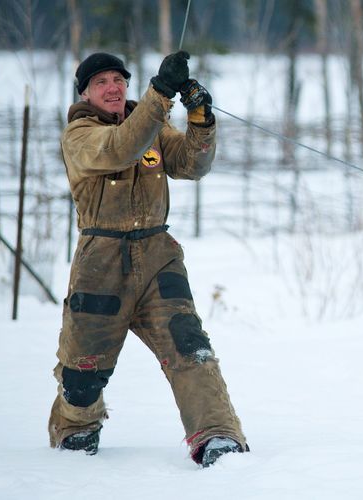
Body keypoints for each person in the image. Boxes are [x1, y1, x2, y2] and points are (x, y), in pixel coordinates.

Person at [48, 51, 247, 467]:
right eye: (101, 81)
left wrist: (199, 118)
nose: (113, 87)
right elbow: (120, 149)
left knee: (189, 346)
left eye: (118, 80)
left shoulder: (151, 128)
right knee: (83, 372)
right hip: (101, 263)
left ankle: (216, 436)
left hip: (159, 257)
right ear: (85, 92)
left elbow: (192, 164)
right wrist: (159, 94)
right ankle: (76, 429)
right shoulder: (79, 135)